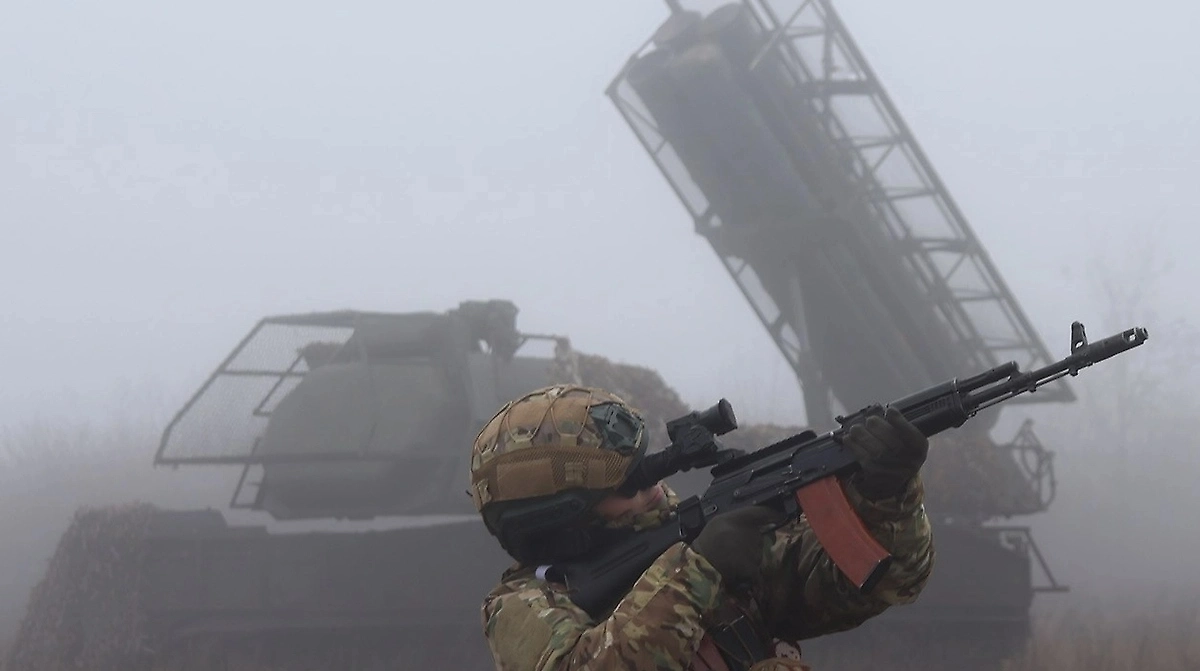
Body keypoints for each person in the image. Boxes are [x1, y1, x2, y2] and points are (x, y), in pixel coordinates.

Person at [468, 384, 934, 671]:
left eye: (644, 468)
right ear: (564, 517)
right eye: (625, 484)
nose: (651, 486)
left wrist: (887, 496)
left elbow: (877, 581)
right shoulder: (523, 605)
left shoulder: (698, 540)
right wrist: (695, 571)